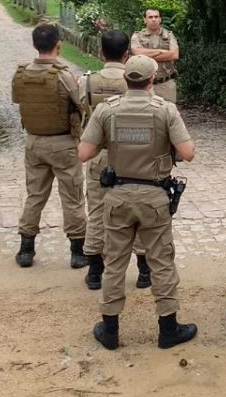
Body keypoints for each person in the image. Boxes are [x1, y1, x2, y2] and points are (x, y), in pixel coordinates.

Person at [78, 55, 198, 350]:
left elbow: (84, 152)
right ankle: (168, 328)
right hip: (153, 197)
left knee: (115, 262)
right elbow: (188, 152)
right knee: (161, 261)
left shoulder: (107, 111)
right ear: (152, 79)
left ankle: (110, 329)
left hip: (117, 196)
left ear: (126, 79)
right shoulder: (165, 110)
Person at [11, 24, 89, 269]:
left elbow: (17, 99)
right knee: (73, 197)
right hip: (63, 142)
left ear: (35, 45)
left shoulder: (21, 74)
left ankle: (26, 248)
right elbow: (82, 106)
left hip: (34, 140)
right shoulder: (63, 76)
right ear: (59, 45)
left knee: (35, 196)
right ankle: (77, 251)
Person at [78, 30, 130, 291]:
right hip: (129, 154)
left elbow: (79, 114)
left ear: (101, 52)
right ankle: (143, 271)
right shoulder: (133, 81)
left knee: (97, 211)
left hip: (97, 153)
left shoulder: (86, 82)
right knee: (136, 210)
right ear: (127, 54)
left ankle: (95, 271)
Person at [130, 8, 180, 103]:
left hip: (165, 83)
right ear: (145, 20)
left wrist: (146, 54)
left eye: (156, 17)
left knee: (168, 114)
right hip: (144, 85)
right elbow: (136, 52)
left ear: (160, 19)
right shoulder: (138, 36)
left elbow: (174, 55)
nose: (154, 19)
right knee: (146, 114)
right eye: (150, 17)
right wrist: (162, 51)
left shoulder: (169, 35)